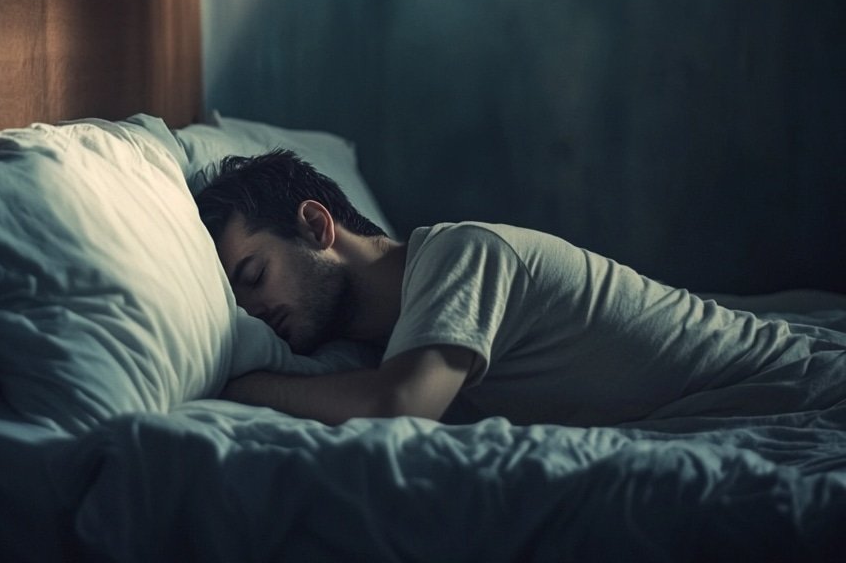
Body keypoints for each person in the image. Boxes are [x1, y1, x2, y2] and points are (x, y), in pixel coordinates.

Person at [195, 150, 846, 427]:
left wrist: (243, 386)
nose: (254, 313)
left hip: (793, 381)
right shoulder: (389, 337)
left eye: (253, 275)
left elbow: (399, 407)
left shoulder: (460, 255)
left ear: (315, 225)